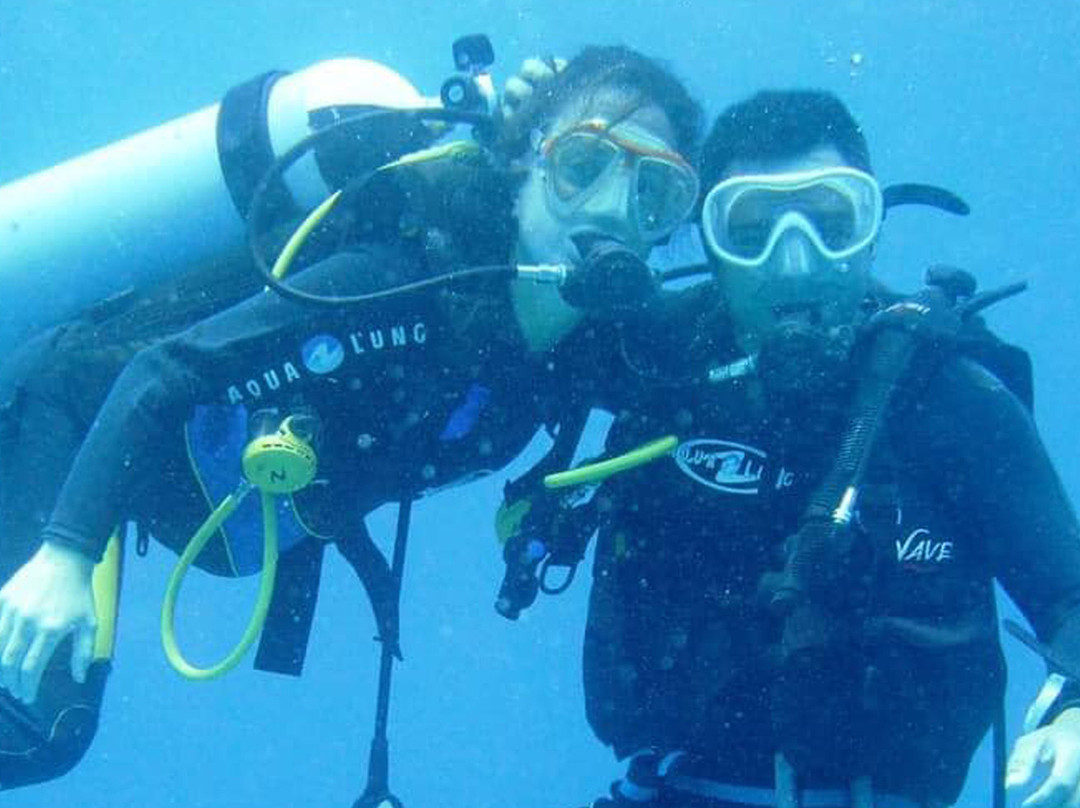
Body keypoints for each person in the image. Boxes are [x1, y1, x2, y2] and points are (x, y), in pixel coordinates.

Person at [0, 45, 703, 790]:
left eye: (653, 191)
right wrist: (65, 556)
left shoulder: (581, 352)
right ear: (526, 163)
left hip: (146, 482)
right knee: (33, 726)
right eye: (583, 165)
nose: (609, 209)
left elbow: (719, 346)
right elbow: (163, 369)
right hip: (61, 417)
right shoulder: (399, 283)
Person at [520, 89, 1080, 808]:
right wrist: (518, 154)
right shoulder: (652, 362)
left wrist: (1072, 714)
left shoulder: (950, 399)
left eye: (828, 223)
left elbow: (1069, 593)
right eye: (749, 229)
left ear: (871, 231)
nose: (792, 264)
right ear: (709, 243)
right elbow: (489, 341)